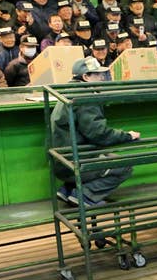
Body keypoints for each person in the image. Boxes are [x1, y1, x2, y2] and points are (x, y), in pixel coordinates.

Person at [50, 57, 140, 206]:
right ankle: (85, 196)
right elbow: (99, 134)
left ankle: (68, 190)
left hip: (61, 161)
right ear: (86, 77)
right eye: (97, 75)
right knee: (125, 166)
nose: (102, 78)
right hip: (76, 162)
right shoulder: (85, 96)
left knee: (107, 157)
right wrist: (127, 136)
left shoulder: (67, 91)